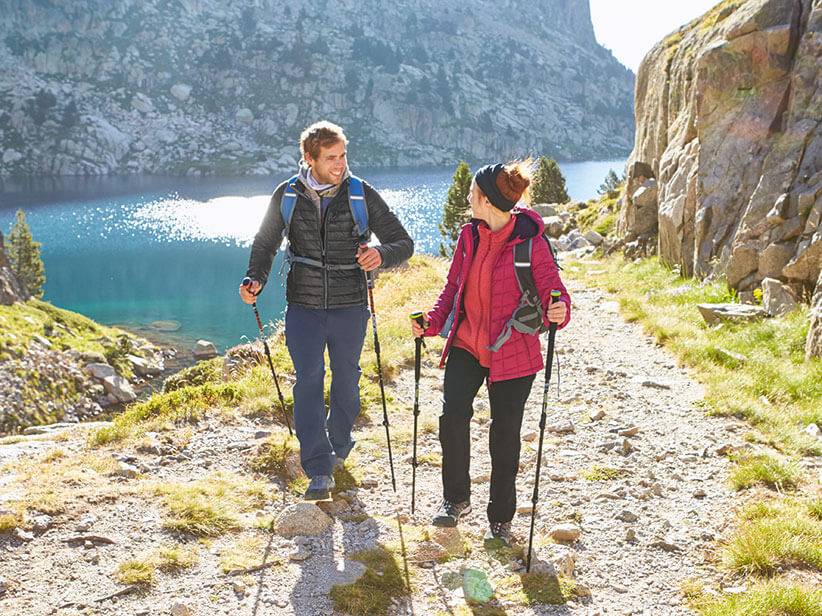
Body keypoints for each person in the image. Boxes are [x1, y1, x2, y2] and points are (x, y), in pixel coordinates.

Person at [241, 121, 414, 501]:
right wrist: (255, 277)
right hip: (302, 305)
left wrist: (379, 255)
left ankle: (339, 441)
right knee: (307, 380)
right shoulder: (287, 194)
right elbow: (266, 242)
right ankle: (318, 467)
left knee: (347, 381)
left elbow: (404, 243)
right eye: (331, 158)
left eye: (343, 155)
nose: (340, 164)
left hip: (350, 305)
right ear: (309, 159)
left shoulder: (360, 194)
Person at [411, 160, 571, 546]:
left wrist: (559, 310)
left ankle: (500, 520)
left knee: (504, 436)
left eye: (472, 192)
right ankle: (456, 499)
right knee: (452, 417)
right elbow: (452, 289)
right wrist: (431, 323)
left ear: (485, 199)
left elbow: (557, 294)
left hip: (514, 353)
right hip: (467, 344)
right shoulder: (470, 236)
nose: (467, 197)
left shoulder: (530, 244)